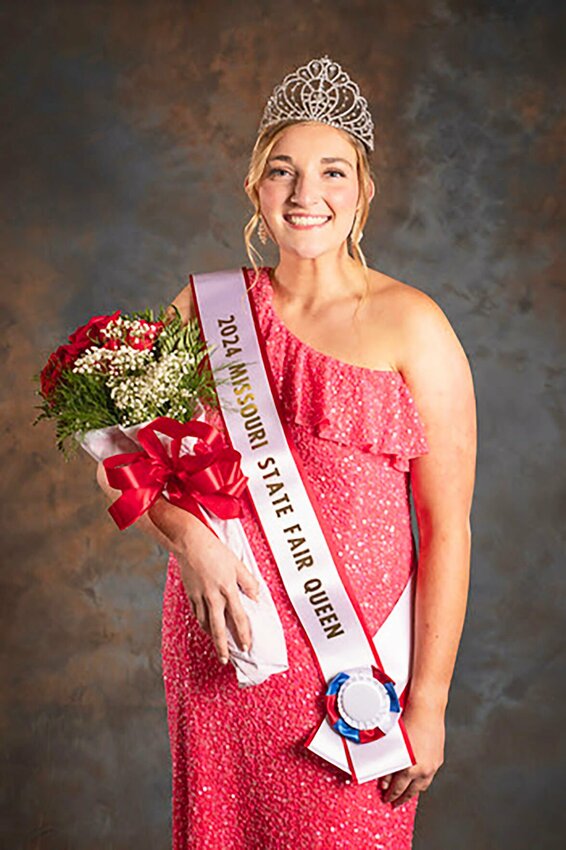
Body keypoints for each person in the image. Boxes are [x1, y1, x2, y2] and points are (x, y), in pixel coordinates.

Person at [97, 55, 476, 850]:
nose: (307, 196)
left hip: (359, 673)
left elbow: (447, 528)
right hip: (229, 648)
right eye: (283, 172)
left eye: (333, 172)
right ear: (254, 191)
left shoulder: (418, 326)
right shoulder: (206, 310)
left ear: (364, 190)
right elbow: (122, 454)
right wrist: (188, 540)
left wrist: (430, 704)